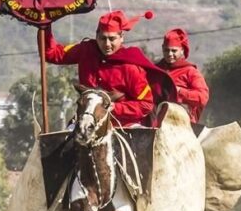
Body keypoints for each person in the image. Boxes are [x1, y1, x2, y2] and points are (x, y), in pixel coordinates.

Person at [42, 10, 175, 127]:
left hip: (123, 125)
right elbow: (52, 54)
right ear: (96, 36)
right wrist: (44, 24)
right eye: (102, 38)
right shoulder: (85, 50)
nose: (107, 44)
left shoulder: (130, 68)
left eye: (112, 39)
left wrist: (114, 108)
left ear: (121, 38)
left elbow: (146, 105)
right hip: (86, 120)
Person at [156, 28, 209, 124]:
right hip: (157, 120)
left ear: (182, 50)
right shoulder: (155, 70)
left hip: (182, 123)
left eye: (174, 51)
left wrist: (179, 91)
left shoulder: (191, 72)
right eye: (166, 50)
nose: (169, 54)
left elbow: (202, 97)